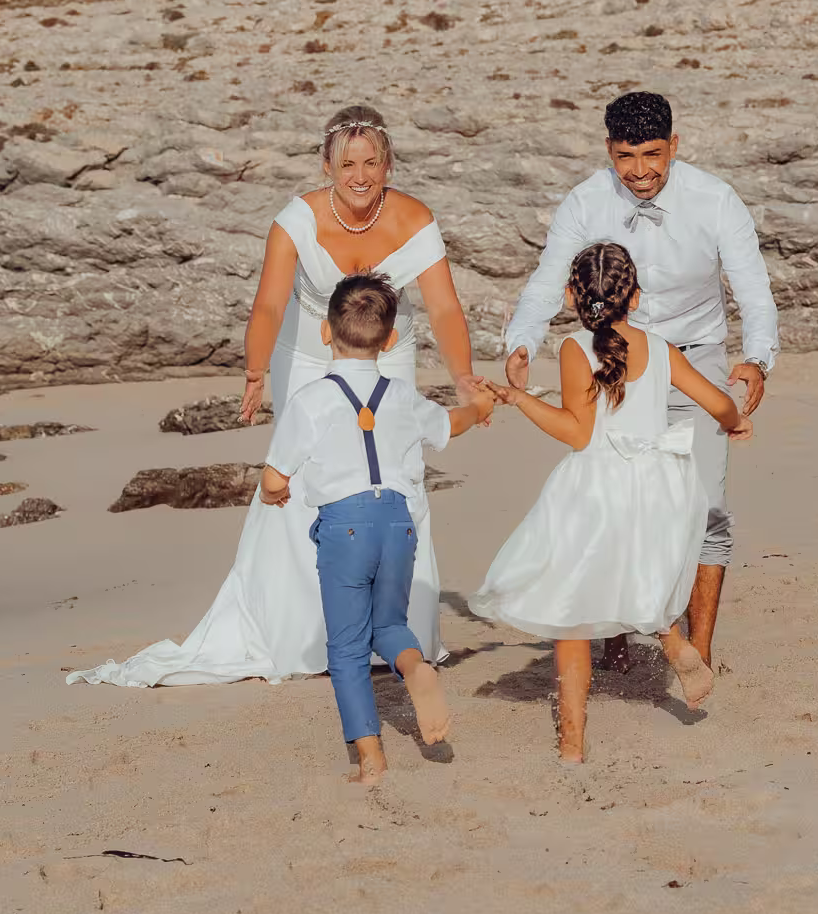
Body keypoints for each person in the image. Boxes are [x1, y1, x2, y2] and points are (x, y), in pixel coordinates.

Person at [68, 104, 481, 688]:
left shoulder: (415, 219)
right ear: (326, 165)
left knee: (397, 467)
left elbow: (442, 306)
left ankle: (397, 627)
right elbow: (267, 303)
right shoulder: (297, 220)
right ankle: (307, 630)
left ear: (388, 164)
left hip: (389, 344)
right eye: (346, 164)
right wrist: (256, 368)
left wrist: (463, 377)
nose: (359, 176)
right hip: (307, 349)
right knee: (305, 473)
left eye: (370, 163)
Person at [503, 91, 778, 673]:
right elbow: (547, 279)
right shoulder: (582, 203)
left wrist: (757, 359)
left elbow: (753, 289)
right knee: (613, 497)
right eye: (626, 155)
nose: (640, 170)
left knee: (708, 505)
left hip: (695, 356)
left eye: (653, 154)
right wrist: (521, 342)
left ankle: (698, 652)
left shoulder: (716, 200)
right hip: (611, 359)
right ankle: (617, 632)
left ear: (674, 146)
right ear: (609, 149)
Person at [472, 243, 750, 762]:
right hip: (660, 485)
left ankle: (572, 744)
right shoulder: (661, 346)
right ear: (637, 296)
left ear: (571, 295)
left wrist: (521, 399)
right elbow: (717, 402)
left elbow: (578, 435)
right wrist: (736, 424)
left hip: (600, 486)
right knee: (634, 573)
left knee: (573, 611)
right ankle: (673, 642)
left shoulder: (576, 349)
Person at [260, 272, 493, 783]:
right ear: (389, 340)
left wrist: (272, 491)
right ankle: (415, 669)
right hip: (397, 522)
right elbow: (449, 424)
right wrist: (479, 409)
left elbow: (275, 473)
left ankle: (370, 757)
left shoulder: (312, 400)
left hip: (345, 525)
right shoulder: (404, 396)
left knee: (346, 647)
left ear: (326, 332)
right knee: (388, 625)